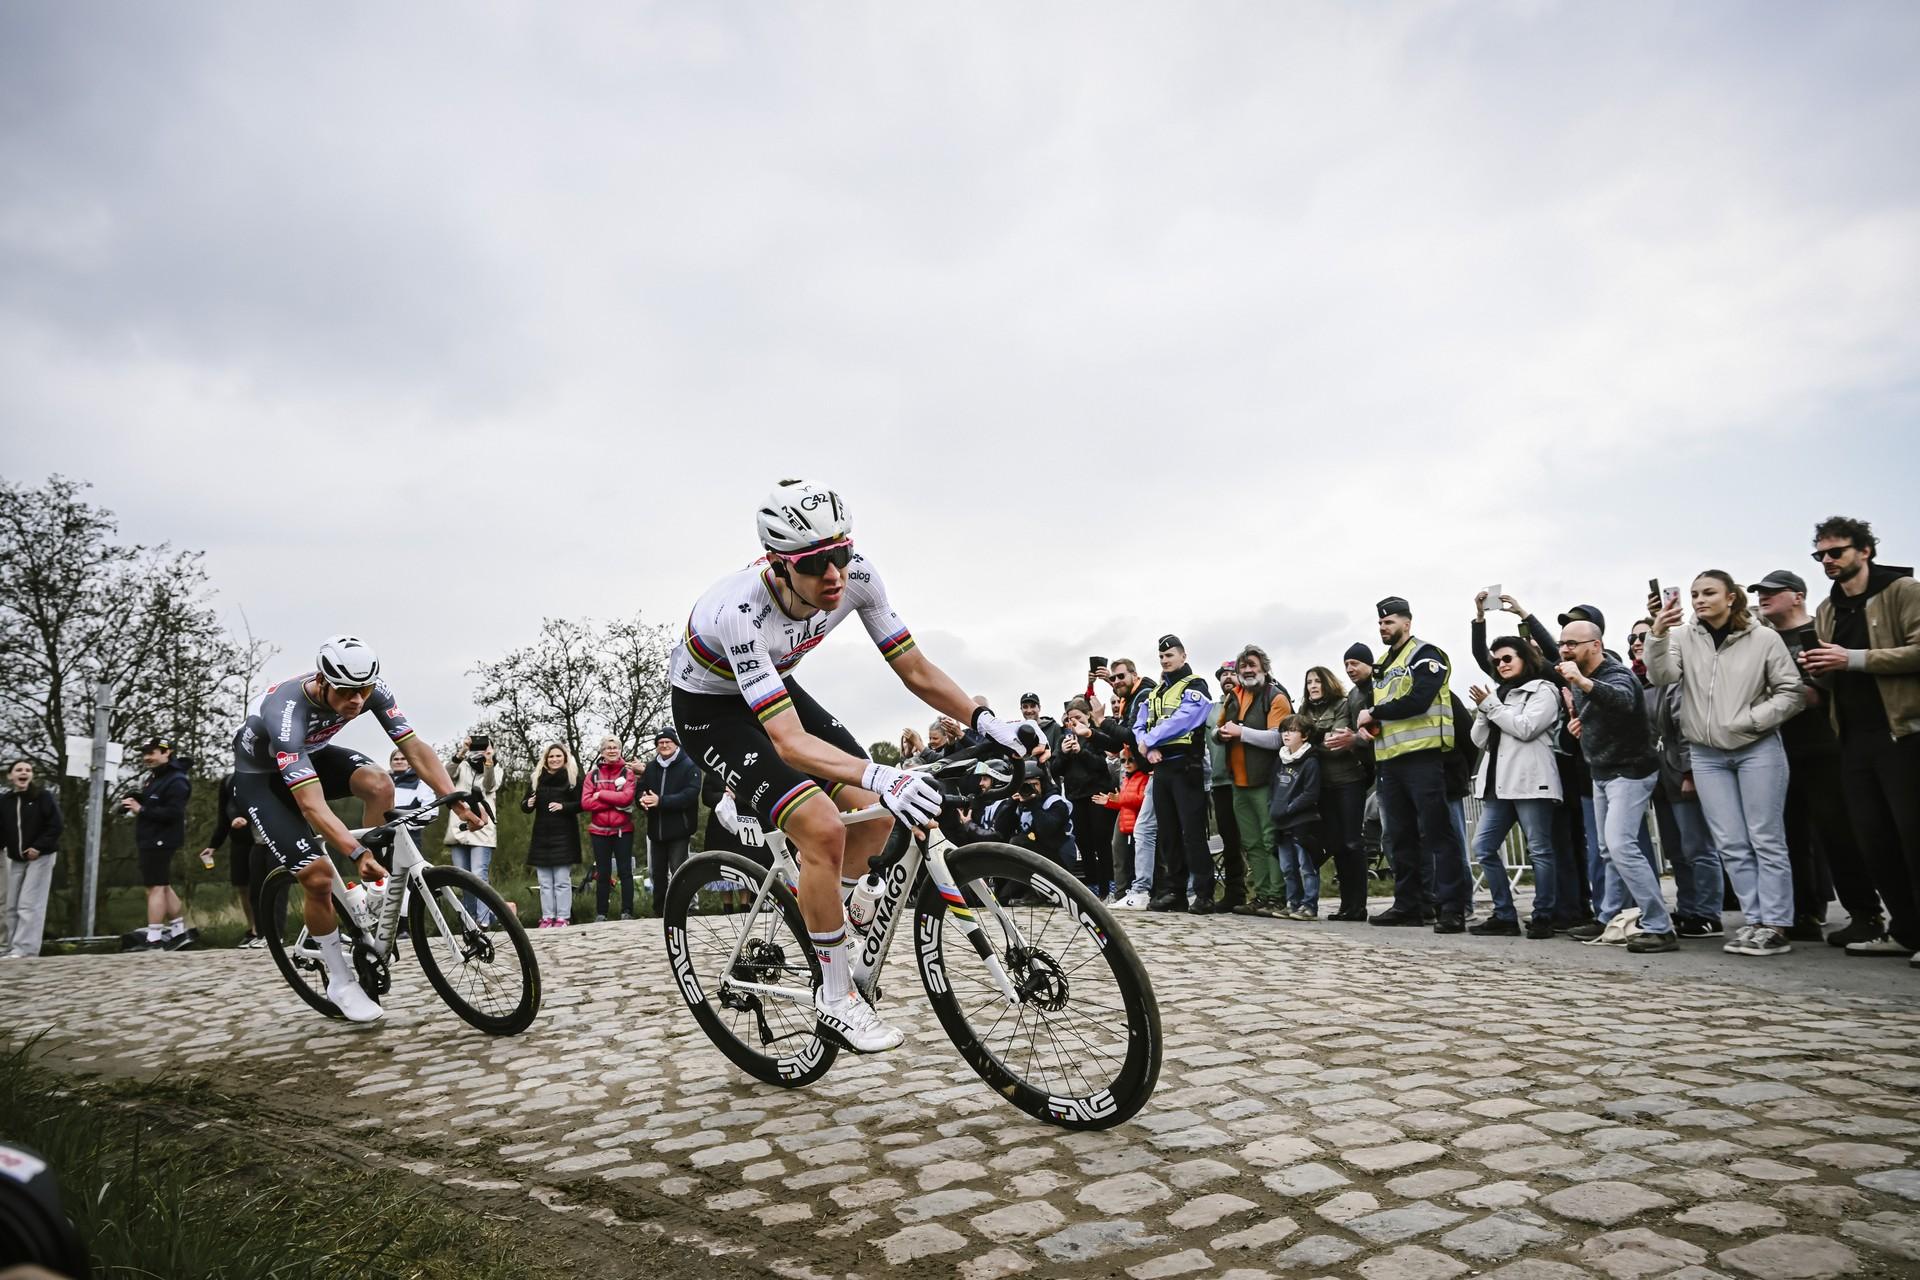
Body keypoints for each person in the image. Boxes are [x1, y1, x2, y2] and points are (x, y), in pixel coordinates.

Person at [667, 478, 1029, 1053]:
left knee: (881, 816)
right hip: (711, 708)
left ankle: (845, 912)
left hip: (774, 684)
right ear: (781, 565)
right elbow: (786, 740)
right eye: (817, 563)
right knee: (822, 825)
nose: (835, 573)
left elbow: (915, 669)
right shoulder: (739, 611)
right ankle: (835, 997)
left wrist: (986, 721)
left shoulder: (857, 577)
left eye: (842, 552)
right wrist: (883, 773)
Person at [231, 635, 480, 1022]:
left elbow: (414, 747)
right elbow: (310, 804)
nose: (357, 702)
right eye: (347, 692)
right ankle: (339, 979)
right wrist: (355, 851)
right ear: (323, 681)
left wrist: (455, 798)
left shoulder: (370, 689)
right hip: (262, 779)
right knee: (316, 876)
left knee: (381, 784)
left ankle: (375, 892)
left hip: (309, 756)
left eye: (363, 691)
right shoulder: (286, 712)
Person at [1646, 572, 1803, 957]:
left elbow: (1791, 691)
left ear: (1731, 598)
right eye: (1695, 593)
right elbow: (1661, 675)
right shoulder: (1683, 636)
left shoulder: (1764, 637)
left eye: (1709, 593)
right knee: (1731, 843)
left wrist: (1750, 721)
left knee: (1765, 838)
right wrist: (1658, 634)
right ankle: (1754, 921)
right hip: (1706, 753)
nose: (1699, 599)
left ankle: (1777, 924)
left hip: (1757, 748)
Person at [1802, 516, 1920, 963]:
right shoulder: (1828, 610)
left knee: (1914, 836)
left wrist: (1851, 658)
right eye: (1821, 555)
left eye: (1837, 552)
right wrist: (1818, 674)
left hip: (1904, 732)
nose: (1828, 561)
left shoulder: (1902, 592)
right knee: (1876, 840)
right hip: (1852, 738)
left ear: (1865, 550)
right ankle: (1906, 931)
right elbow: (1837, 673)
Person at [1752, 568, 1883, 944]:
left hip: (1825, 746)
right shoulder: (1761, 640)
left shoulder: (1822, 630)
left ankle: (1865, 914)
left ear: (1797, 595)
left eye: (1773, 592)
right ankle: (1802, 912)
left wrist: (1815, 692)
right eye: (1760, 592)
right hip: (1775, 749)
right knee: (1786, 835)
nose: (1764, 598)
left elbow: (1841, 681)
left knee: (1837, 832)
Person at [1559, 620, 1677, 953]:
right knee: (1608, 850)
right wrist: (1522, 613)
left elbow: (1624, 700)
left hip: (1631, 771)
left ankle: (1659, 926)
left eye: (1573, 643)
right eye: (1562, 643)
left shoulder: (1615, 674)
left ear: (1595, 645)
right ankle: (1608, 916)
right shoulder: (1578, 671)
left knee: (1622, 845)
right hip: (1601, 771)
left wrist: (1582, 682)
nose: (1565, 649)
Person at [1358, 598, 1469, 932]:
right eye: (1380, 623)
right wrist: (1370, 726)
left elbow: (1419, 700)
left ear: (1407, 622)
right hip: (1390, 761)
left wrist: (1374, 714)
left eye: (1389, 622)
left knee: (1437, 834)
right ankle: (1410, 905)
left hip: (1423, 757)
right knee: (1400, 837)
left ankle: (1452, 908)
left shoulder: (1426, 654)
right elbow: (1377, 706)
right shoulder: (1381, 664)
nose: (1383, 628)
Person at [1465, 638, 1564, 938]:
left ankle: (1544, 915)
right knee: (1482, 847)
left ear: (1525, 658)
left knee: (1540, 850)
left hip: (1530, 781)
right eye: (1496, 661)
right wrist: (1485, 710)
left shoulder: (1543, 690)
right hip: (1498, 783)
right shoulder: (1498, 695)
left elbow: (1525, 728)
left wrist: (1491, 706)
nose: (1502, 664)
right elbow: (1479, 739)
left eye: (1507, 657)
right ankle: (1504, 915)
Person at [1636, 621, 1727, 939]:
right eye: (1632, 637)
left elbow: (1684, 725)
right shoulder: (1642, 684)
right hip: (1658, 778)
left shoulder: (1673, 678)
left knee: (1697, 846)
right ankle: (1688, 909)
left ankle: (1708, 913)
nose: (1636, 641)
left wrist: (1689, 772)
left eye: (1642, 636)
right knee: (1675, 849)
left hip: (1681, 771)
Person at [1133, 635, 1216, 914]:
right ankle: (1175, 891)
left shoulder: (1195, 685)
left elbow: (1187, 719)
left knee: (1192, 833)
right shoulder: (1155, 692)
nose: (1165, 661)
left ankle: (1204, 894)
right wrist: (1147, 749)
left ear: (1183, 656)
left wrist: (1152, 740)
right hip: (1162, 768)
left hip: (1186, 766)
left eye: (1170, 655)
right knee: (1168, 834)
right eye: (1161, 657)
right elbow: (1139, 725)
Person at [1213, 646, 1292, 916]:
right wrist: (1220, 734)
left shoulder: (1276, 697)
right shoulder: (1233, 696)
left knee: (1271, 840)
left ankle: (1278, 897)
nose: (1247, 670)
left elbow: (1277, 738)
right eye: (1243, 666)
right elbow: (1218, 729)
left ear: (1264, 668)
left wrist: (1241, 732)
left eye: (1253, 665)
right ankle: (1261, 895)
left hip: (1267, 780)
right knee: (1252, 843)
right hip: (1239, 782)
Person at [1298, 666, 1371, 920]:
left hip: (1348, 780)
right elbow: (1298, 742)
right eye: (1309, 682)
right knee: (1337, 844)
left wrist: (1312, 741)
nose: (1313, 686)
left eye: (1317, 681)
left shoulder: (1341, 704)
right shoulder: (1304, 710)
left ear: (1327, 682)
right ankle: (1345, 904)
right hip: (1323, 785)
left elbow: (1335, 744)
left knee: (1352, 842)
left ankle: (1359, 905)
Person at [1089, 658, 1159, 907]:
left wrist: (1100, 722)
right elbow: (1119, 743)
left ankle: (1143, 891)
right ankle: (1130, 892)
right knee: (1124, 844)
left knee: (1148, 835)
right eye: (1114, 678)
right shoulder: (1132, 697)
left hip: (1152, 774)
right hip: (1140, 780)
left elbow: (1129, 736)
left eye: (1120, 677)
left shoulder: (1144, 695)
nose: (1116, 682)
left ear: (1134, 674)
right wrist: (1090, 733)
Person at [123, 740, 193, 949]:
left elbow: (174, 812)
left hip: (162, 839)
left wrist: (141, 810)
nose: (147, 757)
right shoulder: (155, 777)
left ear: (167, 752)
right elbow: (155, 802)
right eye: (144, 753)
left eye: (151, 753)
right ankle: (180, 932)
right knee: (162, 886)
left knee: (155, 887)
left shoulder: (177, 780)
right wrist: (135, 800)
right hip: (150, 838)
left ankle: (153, 939)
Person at [1055, 699, 1117, 899]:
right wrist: (1064, 754)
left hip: (1097, 794)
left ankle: (1110, 884)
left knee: (1102, 840)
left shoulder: (1096, 736)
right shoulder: (1063, 738)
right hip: (1075, 796)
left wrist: (1081, 753)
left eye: (1078, 718)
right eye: (1069, 719)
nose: (1073, 722)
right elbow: (1055, 769)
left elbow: (1103, 764)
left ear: (1088, 716)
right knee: (1084, 842)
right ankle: (1092, 886)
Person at [2, 759, 63, 959]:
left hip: (41, 856)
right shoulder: (5, 801)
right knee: (11, 905)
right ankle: (12, 946)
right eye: (19, 770)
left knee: (29, 903)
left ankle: (26, 949)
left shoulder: (42, 797)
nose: (24, 773)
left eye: (28, 770)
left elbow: (55, 825)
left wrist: (38, 846)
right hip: (16, 858)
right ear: (10, 776)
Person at [1267, 716, 1325, 920]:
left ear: (1305, 735)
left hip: (1302, 822)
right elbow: (1273, 788)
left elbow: (1310, 793)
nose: (1287, 734)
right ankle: (1293, 903)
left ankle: (1309, 906)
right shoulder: (1279, 759)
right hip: (1281, 823)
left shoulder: (1310, 761)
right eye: (1284, 730)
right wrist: (1273, 807)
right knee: (1287, 867)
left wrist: (1289, 808)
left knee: (1306, 866)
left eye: (1292, 730)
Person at [639, 728, 701, 915]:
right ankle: (660, 910)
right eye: (660, 743)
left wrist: (661, 801)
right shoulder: (650, 768)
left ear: (676, 744)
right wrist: (641, 799)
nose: (664, 745)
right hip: (655, 829)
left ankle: (687, 907)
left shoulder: (690, 765)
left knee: (679, 871)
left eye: (668, 742)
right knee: (657, 874)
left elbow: (690, 795)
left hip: (679, 829)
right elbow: (641, 788)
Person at [199, 772, 264, 948]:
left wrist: (247, 818)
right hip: (239, 842)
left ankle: (264, 930)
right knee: (243, 887)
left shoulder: (261, 775)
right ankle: (252, 930)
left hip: (261, 841)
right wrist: (214, 845)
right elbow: (223, 815)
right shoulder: (228, 781)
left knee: (259, 888)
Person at [444, 733, 504, 927]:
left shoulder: (497, 769)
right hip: (459, 828)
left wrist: (488, 761)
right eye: (475, 747)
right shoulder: (462, 767)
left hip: (482, 828)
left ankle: (484, 920)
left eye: (484, 747)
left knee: (479, 876)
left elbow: (489, 785)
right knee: (462, 879)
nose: (479, 750)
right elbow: (446, 774)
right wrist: (462, 751)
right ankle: (468, 921)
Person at [523, 743, 582, 928]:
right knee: (545, 882)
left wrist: (564, 806)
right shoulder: (537, 779)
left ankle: (563, 917)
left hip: (565, 836)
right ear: (546, 759)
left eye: (558, 756)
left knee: (562, 881)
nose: (555, 759)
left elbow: (582, 804)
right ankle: (547, 917)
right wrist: (528, 803)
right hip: (542, 836)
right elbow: (524, 806)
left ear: (564, 758)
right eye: (551, 756)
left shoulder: (572, 779)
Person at [581, 737, 639, 921]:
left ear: (620, 750)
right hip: (599, 831)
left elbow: (626, 799)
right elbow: (585, 802)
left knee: (625, 872)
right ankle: (601, 913)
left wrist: (601, 794)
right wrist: (612, 801)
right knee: (603, 873)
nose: (612, 750)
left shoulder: (628, 773)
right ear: (602, 751)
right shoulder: (593, 775)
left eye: (615, 747)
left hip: (623, 830)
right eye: (608, 748)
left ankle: (627, 911)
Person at [1204, 662, 1247, 910]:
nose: (1228, 678)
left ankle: (1271, 891)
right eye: (1224, 675)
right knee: (1230, 839)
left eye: (1233, 673)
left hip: (1248, 779)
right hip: (1220, 781)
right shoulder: (1212, 710)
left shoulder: (1248, 702)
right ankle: (1235, 892)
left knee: (1255, 838)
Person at [1095, 758, 1150, 908]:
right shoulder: (1127, 778)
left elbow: (1143, 800)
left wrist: (1121, 798)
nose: (1127, 763)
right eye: (1123, 760)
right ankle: (1120, 893)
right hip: (1124, 822)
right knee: (1119, 859)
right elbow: (1125, 802)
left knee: (1131, 860)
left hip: (1136, 824)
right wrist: (1110, 802)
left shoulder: (1144, 777)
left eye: (1131, 759)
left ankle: (1131, 892)